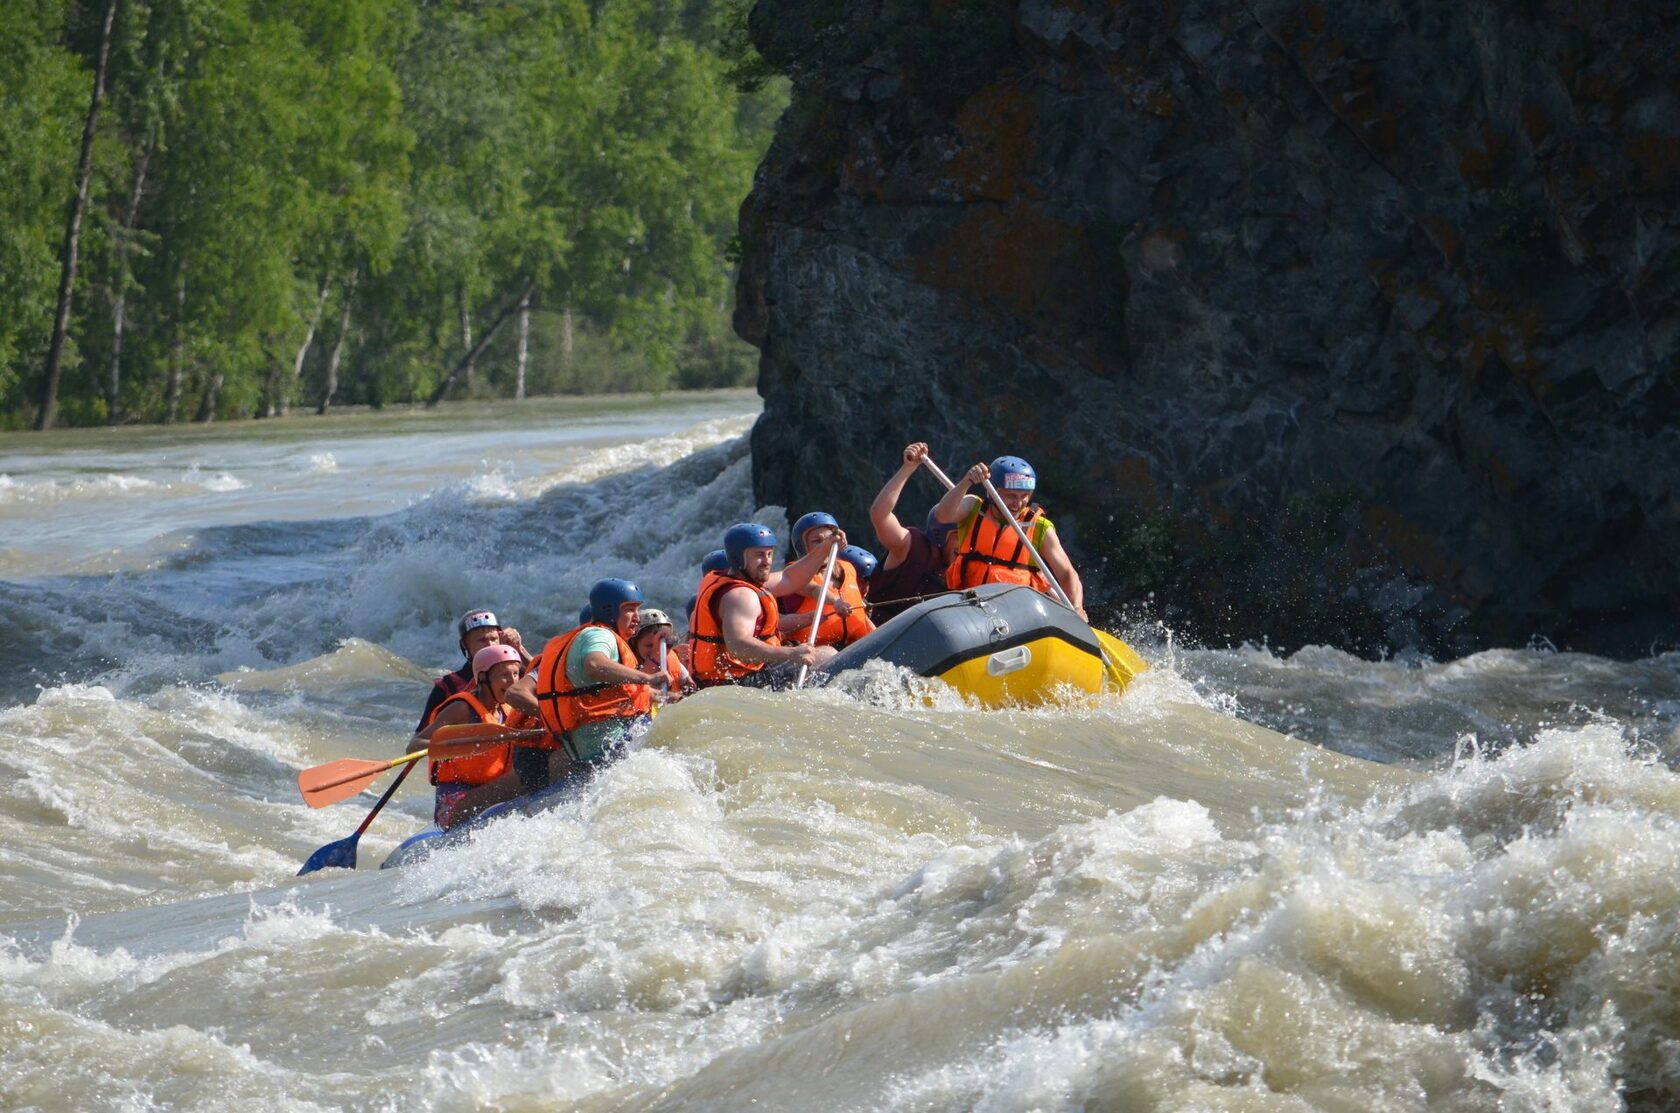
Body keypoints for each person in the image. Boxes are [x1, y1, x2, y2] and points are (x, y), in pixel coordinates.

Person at [508, 578, 662, 771]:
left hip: (598, 753)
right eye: (630, 609)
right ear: (610, 610)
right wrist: (647, 678)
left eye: (638, 609)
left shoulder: (597, 637)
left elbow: (613, 692)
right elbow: (594, 664)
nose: (637, 617)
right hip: (611, 748)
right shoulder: (599, 635)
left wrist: (660, 694)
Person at [932, 454, 1086, 620]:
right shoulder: (973, 508)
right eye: (1011, 496)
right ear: (993, 492)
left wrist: (1077, 606)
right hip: (967, 606)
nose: (1018, 503)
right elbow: (942, 515)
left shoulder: (1040, 527)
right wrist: (966, 482)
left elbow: (1067, 574)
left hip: (1015, 615)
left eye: (1024, 496)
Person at [689, 521, 840, 688]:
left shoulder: (737, 580)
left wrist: (826, 546)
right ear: (738, 557)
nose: (767, 561)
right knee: (828, 655)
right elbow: (739, 647)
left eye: (769, 554)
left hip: (729, 676)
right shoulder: (740, 596)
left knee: (823, 654)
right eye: (759, 555)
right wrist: (791, 653)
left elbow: (790, 579)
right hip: (737, 681)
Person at [407, 643, 533, 829]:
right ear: (483, 678)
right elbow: (414, 745)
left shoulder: (509, 710)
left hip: (490, 793)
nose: (513, 681)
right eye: (504, 675)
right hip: (455, 802)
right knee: (522, 780)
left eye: (516, 674)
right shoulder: (463, 709)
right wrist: (451, 747)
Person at [867, 442, 959, 622]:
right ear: (941, 534)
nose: (965, 545)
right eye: (959, 536)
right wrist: (908, 468)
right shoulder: (909, 545)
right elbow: (880, 515)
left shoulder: (965, 568)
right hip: (879, 632)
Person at [416, 608, 528, 731]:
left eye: (494, 639)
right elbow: (418, 740)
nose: (490, 645)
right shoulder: (447, 687)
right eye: (482, 640)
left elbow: (544, 681)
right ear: (465, 645)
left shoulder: (515, 674)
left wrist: (519, 649)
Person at [779, 512, 875, 648]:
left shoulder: (848, 569)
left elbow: (859, 612)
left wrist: (877, 638)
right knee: (829, 653)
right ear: (802, 547)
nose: (825, 545)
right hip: (816, 650)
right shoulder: (794, 573)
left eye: (829, 539)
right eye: (816, 541)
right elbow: (813, 590)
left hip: (853, 645)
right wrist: (837, 602)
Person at [630, 607, 694, 697]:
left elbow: (690, 686)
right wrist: (667, 696)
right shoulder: (630, 668)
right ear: (634, 645)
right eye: (649, 645)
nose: (656, 651)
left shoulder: (673, 661)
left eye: (661, 645)